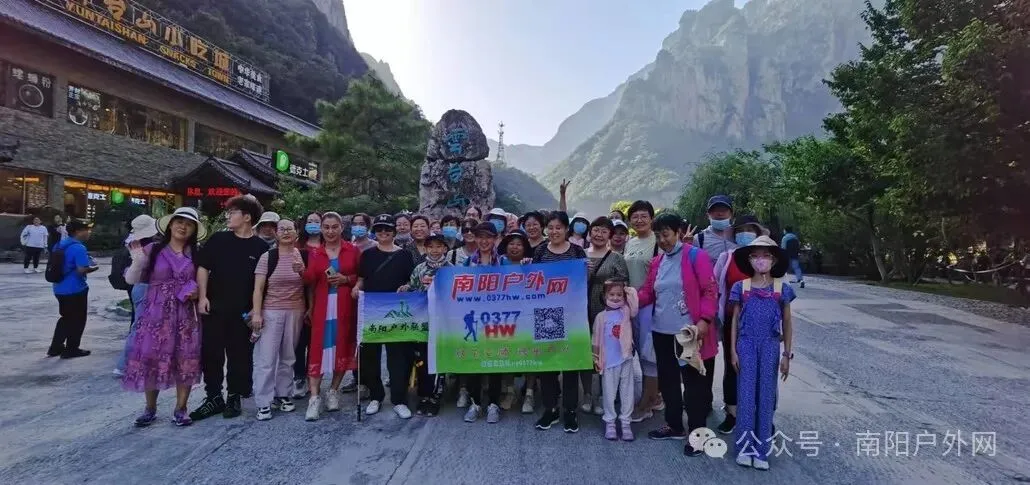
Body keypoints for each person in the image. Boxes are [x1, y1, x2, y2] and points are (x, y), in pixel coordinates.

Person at [636, 212, 717, 455]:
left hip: (688, 333)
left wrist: (705, 320)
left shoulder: (696, 256)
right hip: (661, 331)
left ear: (678, 233)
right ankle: (674, 425)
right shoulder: (657, 262)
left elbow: (710, 290)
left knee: (694, 385)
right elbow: (648, 292)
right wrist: (627, 298)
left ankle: (698, 435)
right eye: (658, 236)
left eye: (666, 234)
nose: (662, 240)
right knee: (669, 381)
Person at [122, 207, 206, 427]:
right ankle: (150, 408)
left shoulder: (197, 254)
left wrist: (198, 291)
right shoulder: (153, 249)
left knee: (185, 358)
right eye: (179, 222)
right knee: (151, 357)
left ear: (194, 229)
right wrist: (137, 261)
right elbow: (131, 279)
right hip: (156, 314)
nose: (183, 227)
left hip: (186, 314)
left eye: (189, 224)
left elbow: (206, 280)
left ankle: (181, 409)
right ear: (170, 225)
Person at [190, 195, 269, 421]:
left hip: (243, 313)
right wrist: (203, 296)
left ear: (247, 217)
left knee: (240, 356)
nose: (228, 216)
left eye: (232, 212)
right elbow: (203, 267)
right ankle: (213, 397)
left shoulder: (261, 247)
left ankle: (234, 396)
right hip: (215, 308)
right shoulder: (219, 239)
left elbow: (264, 284)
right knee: (211, 354)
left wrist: (257, 310)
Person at [729, 236, 795, 470]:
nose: (761, 259)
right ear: (749, 259)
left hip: (770, 345)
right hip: (746, 345)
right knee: (746, 397)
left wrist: (787, 354)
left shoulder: (781, 289)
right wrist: (733, 351)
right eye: (756, 255)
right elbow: (735, 321)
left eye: (766, 255)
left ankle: (762, 452)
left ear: (774, 260)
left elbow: (787, 322)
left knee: (766, 397)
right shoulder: (742, 287)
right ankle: (744, 449)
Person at [355, 214, 417, 418]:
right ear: (375, 232)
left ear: (394, 232)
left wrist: (407, 286)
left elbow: (411, 280)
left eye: (387, 229)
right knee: (369, 356)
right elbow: (362, 279)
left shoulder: (404, 255)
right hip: (372, 311)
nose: (383, 233)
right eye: (380, 229)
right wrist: (356, 288)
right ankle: (376, 396)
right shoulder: (367, 255)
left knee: (398, 357)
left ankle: (399, 399)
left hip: (397, 311)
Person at [301, 212, 361, 421]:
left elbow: (361, 276)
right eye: (326, 227)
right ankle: (314, 397)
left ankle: (333, 390)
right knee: (318, 348)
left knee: (342, 345)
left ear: (341, 228)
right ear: (321, 229)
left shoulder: (352, 250)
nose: (330, 231)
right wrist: (300, 271)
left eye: (334, 227)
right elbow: (310, 280)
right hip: (322, 306)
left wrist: (346, 279)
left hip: (345, 305)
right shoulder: (315, 253)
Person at [532, 211, 588, 433]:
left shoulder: (577, 251)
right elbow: (533, 282)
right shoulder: (540, 251)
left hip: (572, 315)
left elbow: (582, 282)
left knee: (571, 363)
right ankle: (551, 409)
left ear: (566, 229)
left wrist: (586, 271)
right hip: (545, 314)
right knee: (547, 364)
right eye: (551, 227)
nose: (554, 231)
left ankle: (570, 410)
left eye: (558, 227)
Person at [713, 215, 767, 434]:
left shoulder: (767, 259)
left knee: (761, 368)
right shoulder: (727, 258)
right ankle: (732, 413)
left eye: (750, 229)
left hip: (761, 323)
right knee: (732, 366)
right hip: (732, 322)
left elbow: (778, 290)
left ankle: (759, 414)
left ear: (758, 233)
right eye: (741, 230)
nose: (745, 234)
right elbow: (715, 287)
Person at [250, 219, 308, 421]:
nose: (285, 232)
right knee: (266, 358)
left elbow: (308, 283)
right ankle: (263, 402)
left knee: (288, 356)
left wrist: (302, 270)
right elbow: (258, 289)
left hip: (296, 310)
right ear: (276, 233)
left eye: (289, 229)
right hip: (271, 311)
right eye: (281, 229)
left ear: (296, 233)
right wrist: (257, 313)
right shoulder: (268, 257)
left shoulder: (301, 255)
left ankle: (283, 394)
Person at [398, 232, 451, 417]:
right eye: (431, 247)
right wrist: (406, 288)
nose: (435, 250)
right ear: (426, 248)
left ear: (445, 248)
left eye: (439, 246)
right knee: (422, 360)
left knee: (439, 360)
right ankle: (424, 396)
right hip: (422, 322)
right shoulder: (419, 268)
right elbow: (412, 288)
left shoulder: (451, 269)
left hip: (443, 323)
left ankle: (436, 397)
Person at [459, 222, 506, 424]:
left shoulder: (503, 262)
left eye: (488, 237)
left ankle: (493, 404)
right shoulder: (468, 263)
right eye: (480, 237)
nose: (484, 241)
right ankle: (475, 403)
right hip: (475, 318)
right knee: (474, 361)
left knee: (495, 361)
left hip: (497, 320)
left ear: (495, 239)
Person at [583, 216, 629, 416]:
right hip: (581, 311)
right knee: (585, 352)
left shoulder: (616, 257)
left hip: (607, 313)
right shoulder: (581, 255)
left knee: (606, 352)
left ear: (609, 235)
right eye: (596, 230)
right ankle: (587, 394)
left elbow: (624, 284)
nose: (599, 234)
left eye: (604, 231)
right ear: (590, 232)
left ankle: (604, 395)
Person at [623, 200, 662, 421]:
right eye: (634, 216)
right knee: (640, 350)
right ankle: (655, 396)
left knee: (650, 355)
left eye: (643, 216)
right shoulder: (630, 242)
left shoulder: (658, 241)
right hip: (632, 304)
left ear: (651, 218)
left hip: (652, 305)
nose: (639, 220)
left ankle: (647, 403)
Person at [592, 280, 638, 441]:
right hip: (608, 362)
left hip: (625, 359)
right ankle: (610, 422)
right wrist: (596, 359)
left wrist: (627, 289)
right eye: (611, 294)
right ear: (604, 296)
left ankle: (626, 423)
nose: (616, 297)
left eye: (619, 294)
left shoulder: (626, 311)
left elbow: (635, 304)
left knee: (627, 393)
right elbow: (595, 340)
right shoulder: (601, 317)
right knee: (609, 393)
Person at [113, 215, 159, 376]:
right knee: (139, 328)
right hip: (146, 287)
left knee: (140, 326)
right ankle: (123, 365)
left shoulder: (132, 243)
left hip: (137, 286)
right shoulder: (149, 247)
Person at [498, 230, 537, 414]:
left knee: (529, 353)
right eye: (511, 243)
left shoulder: (531, 264)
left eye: (519, 244)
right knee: (507, 353)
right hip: (504, 317)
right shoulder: (497, 264)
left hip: (527, 316)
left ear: (525, 247)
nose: (515, 247)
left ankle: (529, 393)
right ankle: (509, 391)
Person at [48, 220, 98, 359]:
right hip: (75, 289)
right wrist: (94, 268)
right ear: (78, 232)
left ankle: (55, 347)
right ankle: (71, 349)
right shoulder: (79, 248)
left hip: (59, 288)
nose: (89, 232)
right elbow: (82, 269)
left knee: (65, 318)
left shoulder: (59, 244)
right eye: (86, 230)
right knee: (78, 320)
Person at [292, 211, 321, 397]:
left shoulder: (328, 246)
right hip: (299, 295)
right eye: (310, 221)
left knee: (315, 340)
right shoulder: (297, 246)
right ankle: (299, 377)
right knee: (299, 339)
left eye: (317, 221)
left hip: (323, 294)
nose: (313, 224)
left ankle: (313, 376)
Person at [695, 195, 737, 262]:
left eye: (724, 210)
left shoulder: (740, 234)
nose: (720, 213)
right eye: (715, 210)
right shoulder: (699, 239)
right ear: (708, 215)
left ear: (731, 214)